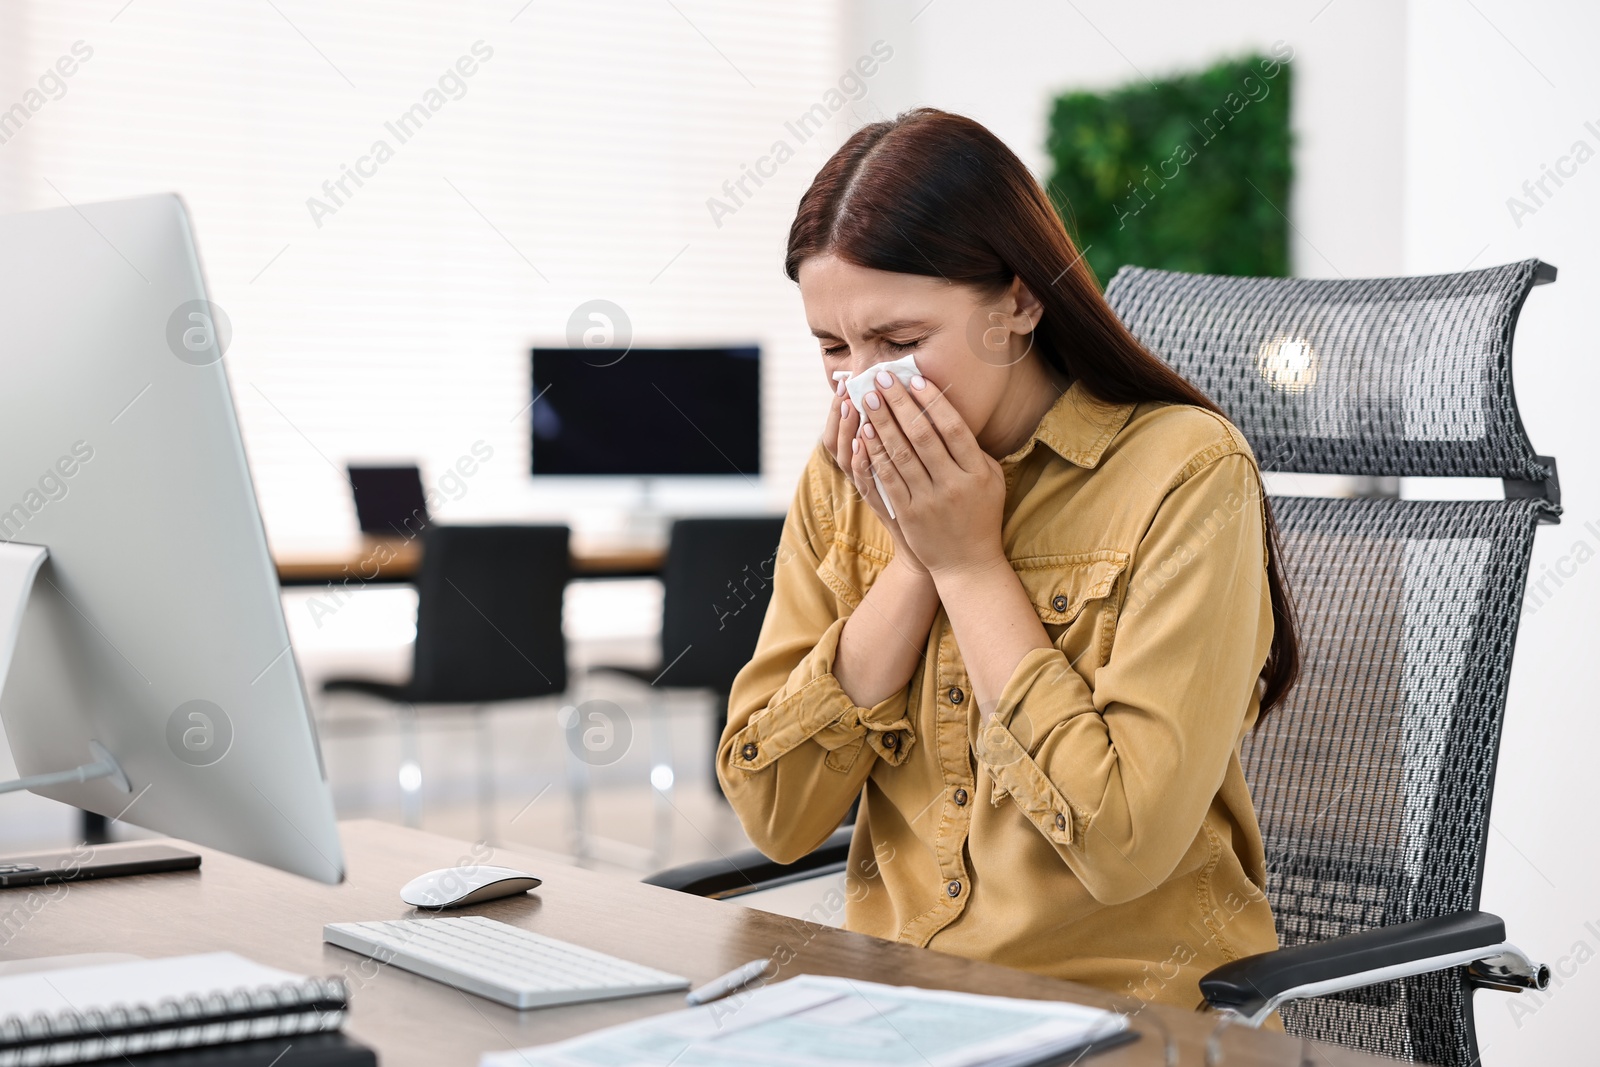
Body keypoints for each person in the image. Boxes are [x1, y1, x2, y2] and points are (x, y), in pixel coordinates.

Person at [716, 107, 1300, 1014]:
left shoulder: (1187, 471)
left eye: (901, 343)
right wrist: (917, 559)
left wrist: (972, 567)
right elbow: (776, 816)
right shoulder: (842, 480)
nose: (860, 384)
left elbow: (1123, 842)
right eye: (833, 348)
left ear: (1020, 303)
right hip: (893, 1010)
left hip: (1118, 1021)